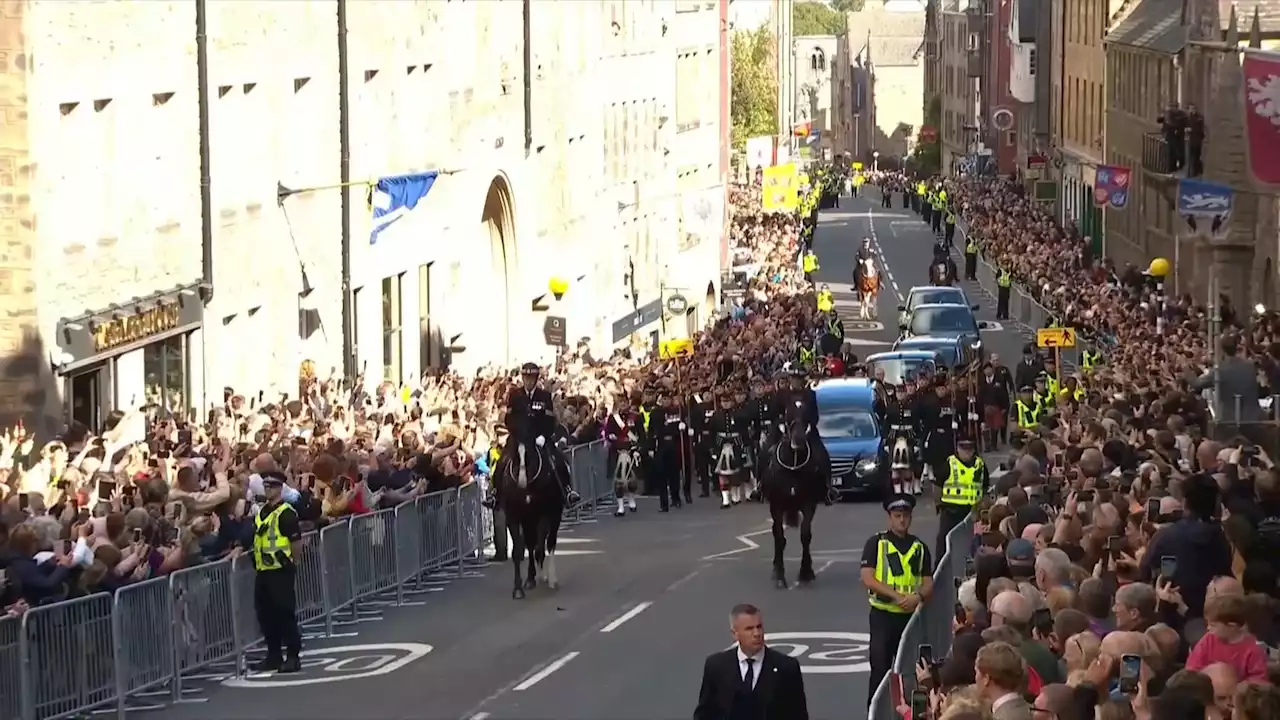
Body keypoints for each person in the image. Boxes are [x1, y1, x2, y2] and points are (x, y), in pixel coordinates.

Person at [861, 494, 933, 706]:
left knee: (910, 671)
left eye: (906, 516)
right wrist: (898, 597)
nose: (902, 520)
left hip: (909, 618)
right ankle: (874, 712)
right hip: (883, 615)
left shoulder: (920, 548)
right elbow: (868, 577)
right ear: (889, 518)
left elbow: (928, 582)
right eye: (897, 515)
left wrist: (917, 597)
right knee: (880, 670)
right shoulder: (876, 543)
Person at [694, 603, 809, 720]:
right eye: (749, 629)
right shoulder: (716, 666)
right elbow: (705, 713)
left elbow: (799, 715)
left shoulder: (786, 667)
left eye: (759, 627)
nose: (757, 634)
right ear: (735, 634)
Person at [246, 471, 303, 673]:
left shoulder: (286, 513)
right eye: (266, 486)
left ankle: (293, 656)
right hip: (263, 570)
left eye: (272, 486)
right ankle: (273, 655)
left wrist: (293, 563)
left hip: (281, 570)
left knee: (284, 613)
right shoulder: (262, 512)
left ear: (280, 488)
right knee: (265, 615)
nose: (268, 489)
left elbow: (295, 542)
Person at [503, 363, 581, 505]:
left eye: (532, 378)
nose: (529, 381)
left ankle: (568, 491)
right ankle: (495, 493)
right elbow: (509, 419)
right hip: (519, 437)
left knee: (558, 460)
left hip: (540, 437)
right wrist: (517, 434)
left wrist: (543, 436)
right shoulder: (514, 396)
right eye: (526, 378)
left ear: (536, 378)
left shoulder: (544, 396)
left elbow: (550, 420)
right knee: (502, 461)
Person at [935, 438, 988, 558]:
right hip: (950, 510)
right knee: (944, 540)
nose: (967, 453)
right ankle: (939, 567)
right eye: (964, 450)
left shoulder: (980, 465)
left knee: (974, 541)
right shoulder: (950, 463)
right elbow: (938, 484)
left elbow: (984, 487)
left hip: (972, 512)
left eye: (970, 450)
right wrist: (938, 504)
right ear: (958, 449)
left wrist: (982, 506)